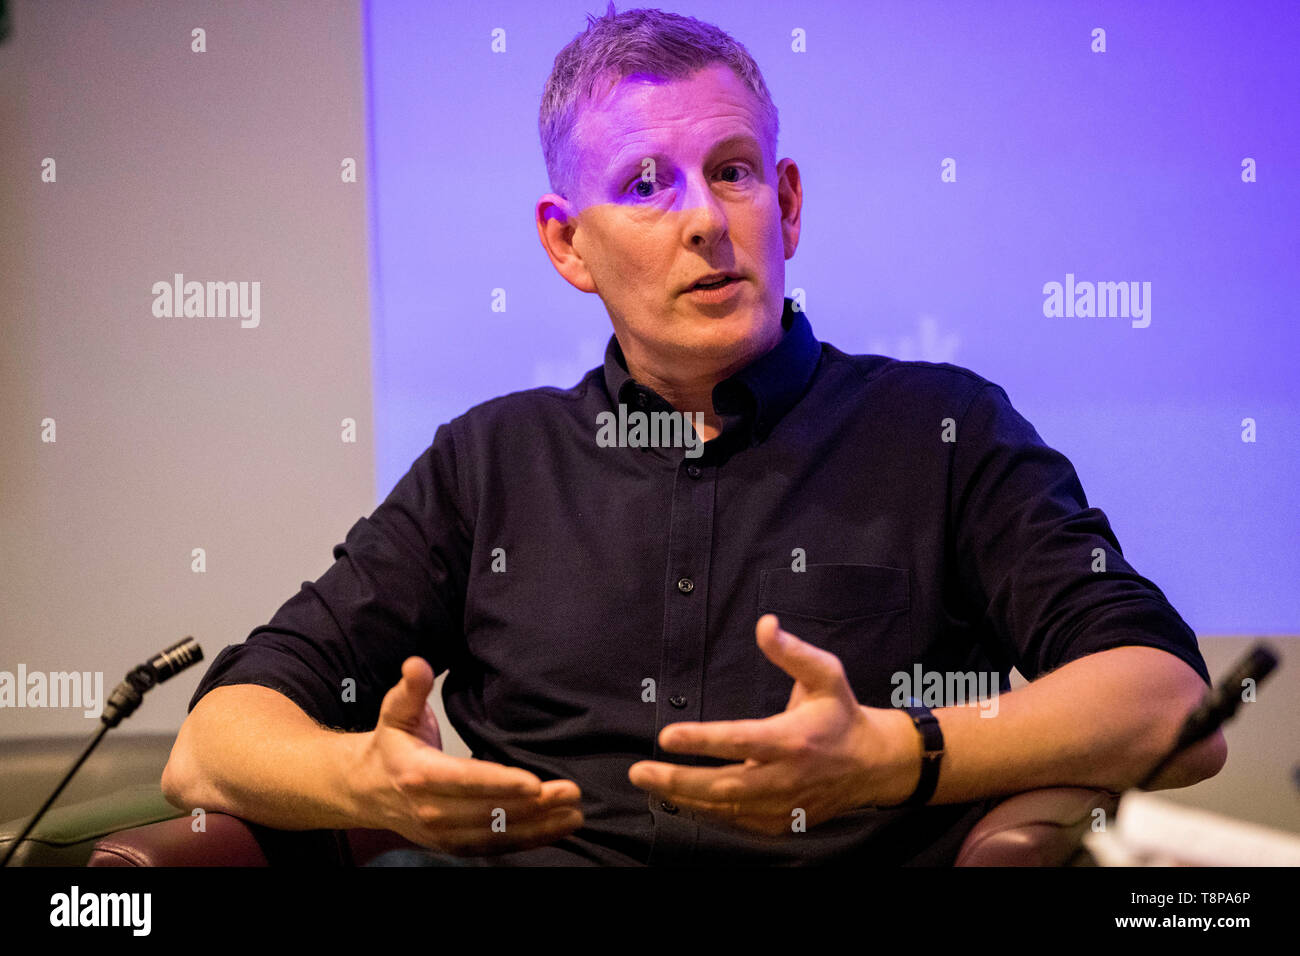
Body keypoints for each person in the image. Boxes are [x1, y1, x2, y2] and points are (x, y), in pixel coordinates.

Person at [161, 6, 1225, 866]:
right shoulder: (488, 463)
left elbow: (1171, 701)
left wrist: (898, 753)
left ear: (787, 201)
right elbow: (211, 742)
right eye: (642, 186)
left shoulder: (943, 428)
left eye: (731, 170)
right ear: (567, 244)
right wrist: (369, 782)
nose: (705, 219)